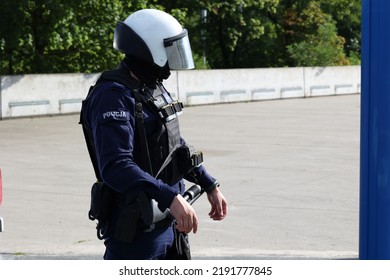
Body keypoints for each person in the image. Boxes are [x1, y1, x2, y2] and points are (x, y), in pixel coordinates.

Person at [79, 9, 228, 260]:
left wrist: (208, 183)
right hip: (137, 231)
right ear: (151, 50)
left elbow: (173, 145)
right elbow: (116, 166)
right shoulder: (114, 95)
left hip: (170, 223)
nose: (172, 59)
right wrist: (170, 197)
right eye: (169, 50)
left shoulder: (150, 87)